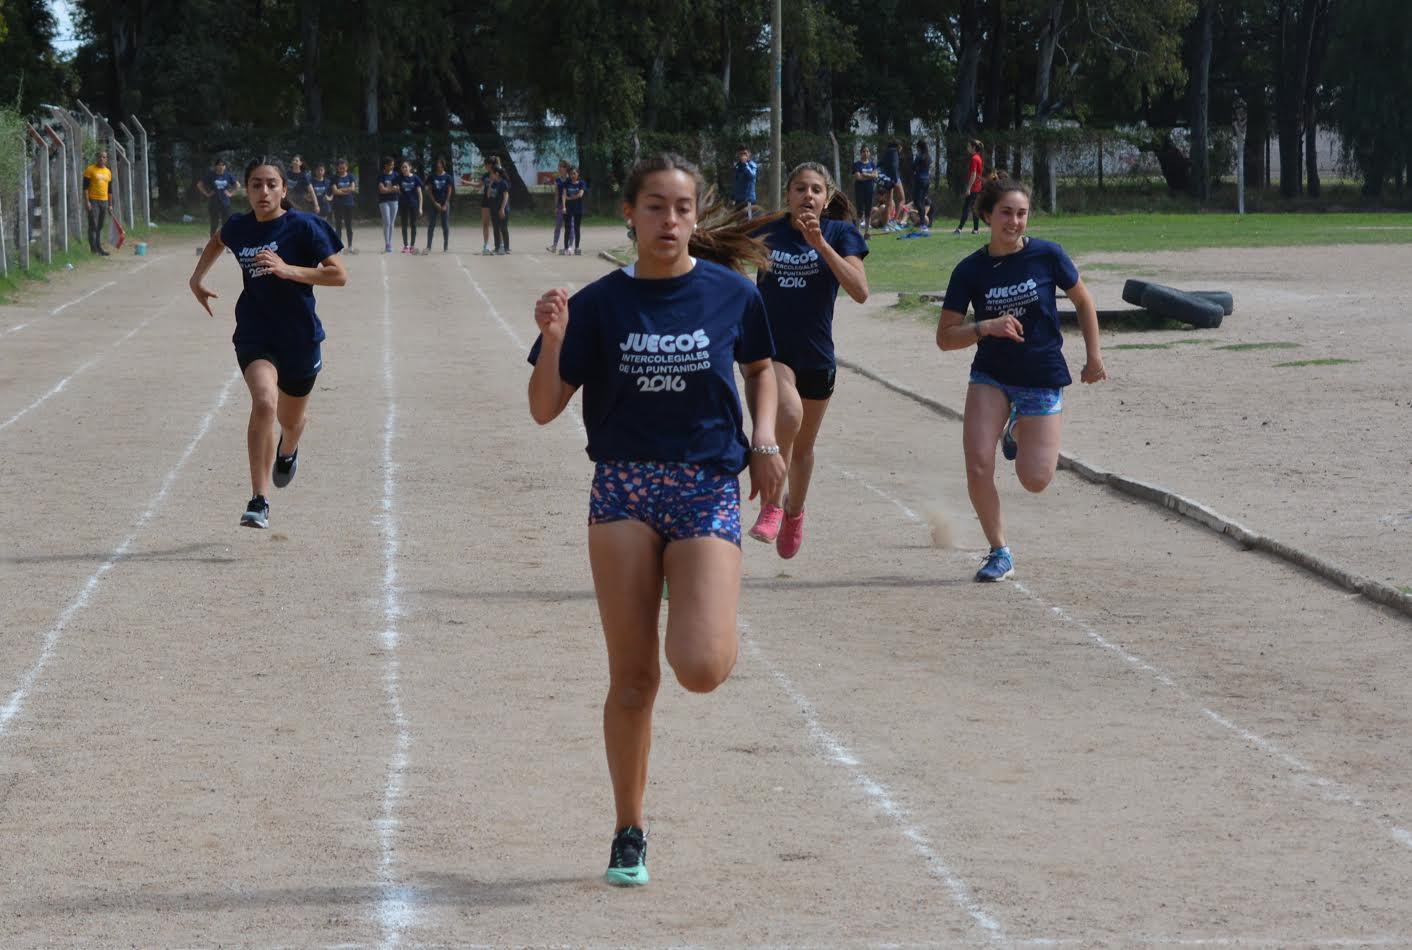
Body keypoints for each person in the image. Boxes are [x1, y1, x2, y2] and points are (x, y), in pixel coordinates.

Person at [526, 152, 786, 888]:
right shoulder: (600, 304)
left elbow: (762, 368)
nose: (668, 220)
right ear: (629, 215)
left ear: (697, 216)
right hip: (623, 490)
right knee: (633, 679)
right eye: (654, 207)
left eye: (681, 207)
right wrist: (551, 340)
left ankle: (701, 596)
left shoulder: (731, 294)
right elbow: (544, 408)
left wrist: (764, 439)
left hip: (704, 485)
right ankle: (628, 830)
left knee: (699, 668)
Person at [935, 175, 1106, 582]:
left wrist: (1093, 356)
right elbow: (944, 338)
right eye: (1006, 213)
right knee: (978, 464)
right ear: (987, 216)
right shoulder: (969, 271)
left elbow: (1083, 300)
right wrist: (986, 326)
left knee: (1035, 480)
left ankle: (1016, 428)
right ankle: (999, 551)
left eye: (1022, 213)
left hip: (1041, 374)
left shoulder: (1048, 255)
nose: (1014, 222)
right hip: (991, 374)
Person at [187, 157, 347, 530]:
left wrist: (289, 270)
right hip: (255, 332)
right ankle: (259, 500)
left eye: (271, 184)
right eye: (256, 184)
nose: (263, 191)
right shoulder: (239, 227)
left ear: (284, 189)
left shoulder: (305, 227)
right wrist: (196, 279)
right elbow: (217, 241)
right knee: (263, 401)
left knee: (290, 422)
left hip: (299, 337)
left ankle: (288, 450)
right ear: (247, 188)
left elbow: (339, 275)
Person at [747, 162, 869, 557]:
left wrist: (822, 247)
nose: (807, 196)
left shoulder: (840, 233)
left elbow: (860, 290)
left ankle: (794, 512)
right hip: (772, 351)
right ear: (787, 194)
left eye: (816, 189)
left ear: (827, 197)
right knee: (788, 414)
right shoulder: (768, 229)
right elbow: (719, 251)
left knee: (802, 448)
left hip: (816, 354)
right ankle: (771, 506)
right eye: (799, 188)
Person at [195, 157, 237, 238]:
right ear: (215, 166)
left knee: (227, 224)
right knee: (214, 223)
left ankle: (227, 243)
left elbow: (237, 185)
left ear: (225, 166)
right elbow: (199, 185)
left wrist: (231, 194)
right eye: (219, 165)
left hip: (225, 203)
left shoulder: (228, 175)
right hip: (214, 203)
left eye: (223, 165)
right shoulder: (211, 175)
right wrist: (207, 194)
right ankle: (212, 243)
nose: (221, 167)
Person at [83, 150, 113, 256]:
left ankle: (99, 248)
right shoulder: (90, 170)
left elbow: (110, 190)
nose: (102, 159)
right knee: (93, 225)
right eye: (100, 157)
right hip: (93, 200)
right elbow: (85, 188)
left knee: (100, 225)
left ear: (106, 159)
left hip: (104, 201)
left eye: (104, 157)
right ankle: (94, 249)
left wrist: (110, 205)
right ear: (97, 158)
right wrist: (87, 202)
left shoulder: (108, 172)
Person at [425, 157, 455, 253]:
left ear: (443, 165)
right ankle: (428, 246)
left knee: (445, 225)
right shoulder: (432, 176)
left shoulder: (448, 177)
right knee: (431, 225)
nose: (438, 166)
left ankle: (445, 246)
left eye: (440, 164)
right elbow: (429, 191)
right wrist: (435, 203)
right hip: (434, 203)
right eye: (437, 164)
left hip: (444, 203)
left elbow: (450, 191)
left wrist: (446, 203)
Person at [955, 139, 984, 235]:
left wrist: (968, 188)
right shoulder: (978, 158)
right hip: (978, 187)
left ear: (974, 147)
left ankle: (959, 229)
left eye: (969, 146)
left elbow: (973, 175)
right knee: (974, 208)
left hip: (974, 188)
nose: (967, 148)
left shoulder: (974, 159)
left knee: (966, 208)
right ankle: (976, 230)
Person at [330, 157, 358, 251]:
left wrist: (341, 190)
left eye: (343, 167)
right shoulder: (334, 178)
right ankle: (339, 246)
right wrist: (347, 190)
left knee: (348, 225)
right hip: (338, 204)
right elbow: (335, 191)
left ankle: (350, 246)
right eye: (340, 168)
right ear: (337, 168)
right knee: (338, 225)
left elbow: (353, 188)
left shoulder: (350, 176)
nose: (342, 169)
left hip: (349, 204)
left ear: (347, 167)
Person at [395, 159, 424, 252]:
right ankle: (406, 246)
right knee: (404, 225)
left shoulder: (415, 178)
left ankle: (412, 246)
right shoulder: (399, 178)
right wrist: (396, 189)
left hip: (413, 204)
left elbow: (420, 194)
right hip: (403, 204)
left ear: (410, 168)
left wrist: (420, 207)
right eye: (402, 167)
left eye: (405, 167)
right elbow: (390, 184)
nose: (404, 169)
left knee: (413, 225)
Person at [851, 146, 879, 239]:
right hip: (860, 190)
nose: (865, 153)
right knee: (859, 210)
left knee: (868, 211)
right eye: (863, 151)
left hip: (870, 190)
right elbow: (858, 177)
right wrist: (870, 176)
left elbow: (876, 176)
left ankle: (867, 233)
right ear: (861, 153)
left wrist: (866, 175)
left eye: (867, 151)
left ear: (869, 153)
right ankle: (858, 233)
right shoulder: (857, 165)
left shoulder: (872, 164)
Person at [879, 139, 904, 232]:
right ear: (898, 146)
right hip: (894, 178)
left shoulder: (886, 153)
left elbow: (880, 164)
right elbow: (894, 166)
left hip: (886, 178)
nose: (901, 149)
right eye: (901, 147)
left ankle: (886, 225)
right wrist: (895, 179)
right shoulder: (895, 153)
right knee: (902, 199)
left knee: (889, 203)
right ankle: (894, 222)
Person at [548, 159, 571, 253]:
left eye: (561, 166)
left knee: (570, 226)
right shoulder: (557, 180)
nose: (559, 168)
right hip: (561, 205)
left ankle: (570, 246)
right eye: (559, 166)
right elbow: (557, 194)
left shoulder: (571, 178)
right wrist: (556, 206)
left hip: (570, 205)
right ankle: (554, 246)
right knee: (558, 225)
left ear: (566, 168)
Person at [561, 167, 586, 255]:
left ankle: (577, 248)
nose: (573, 175)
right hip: (568, 208)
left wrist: (570, 198)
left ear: (578, 174)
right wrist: (564, 207)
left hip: (578, 208)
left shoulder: (581, 183)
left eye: (574, 173)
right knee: (567, 228)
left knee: (577, 228)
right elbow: (564, 195)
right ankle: (566, 248)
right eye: (571, 174)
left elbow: (580, 195)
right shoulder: (567, 183)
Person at [376, 156, 399, 252]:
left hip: (394, 200)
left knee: (392, 223)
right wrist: (392, 189)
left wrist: (388, 189)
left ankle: (390, 242)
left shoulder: (396, 175)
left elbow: (398, 188)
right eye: (391, 165)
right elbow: (382, 190)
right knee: (387, 222)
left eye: (393, 164)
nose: (392, 166)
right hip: (383, 201)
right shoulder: (381, 176)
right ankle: (387, 243)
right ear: (386, 165)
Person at [732, 145, 758, 219]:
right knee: (739, 223)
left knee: (748, 222)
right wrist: (733, 198)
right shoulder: (737, 167)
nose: (743, 156)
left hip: (748, 201)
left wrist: (745, 164)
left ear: (749, 154)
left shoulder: (752, 165)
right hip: (738, 201)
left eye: (745, 153)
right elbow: (735, 183)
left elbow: (752, 176)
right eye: (741, 154)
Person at [489, 165, 511, 254]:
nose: (491, 175)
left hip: (503, 209)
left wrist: (502, 209)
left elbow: (506, 196)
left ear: (497, 174)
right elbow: (489, 195)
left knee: (503, 228)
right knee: (495, 228)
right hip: (494, 209)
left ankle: (506, 248)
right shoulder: (494, 183)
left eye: (492, 174)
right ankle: (497, 247)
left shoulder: (503, 183)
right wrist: (490, 184)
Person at [911, 139, 932, 232]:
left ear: (919, 147)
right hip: (927, 180)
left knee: (917, 201)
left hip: (919, 179)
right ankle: (923, 224)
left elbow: (913, 166)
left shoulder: (919, 156)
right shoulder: (928, 157)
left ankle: (922, 223)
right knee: (922, 201)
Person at [479, 157, 497, 255]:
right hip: (486, 201)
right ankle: (486, 245)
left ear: (490, 165)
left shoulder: (498, 174)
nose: (485, 166)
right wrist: (466, 183)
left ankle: (499, 245)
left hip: (495, 202)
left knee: (496, 224)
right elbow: (479, 185)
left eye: (486, 164)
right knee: (485, 224)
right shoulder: (485, 175)